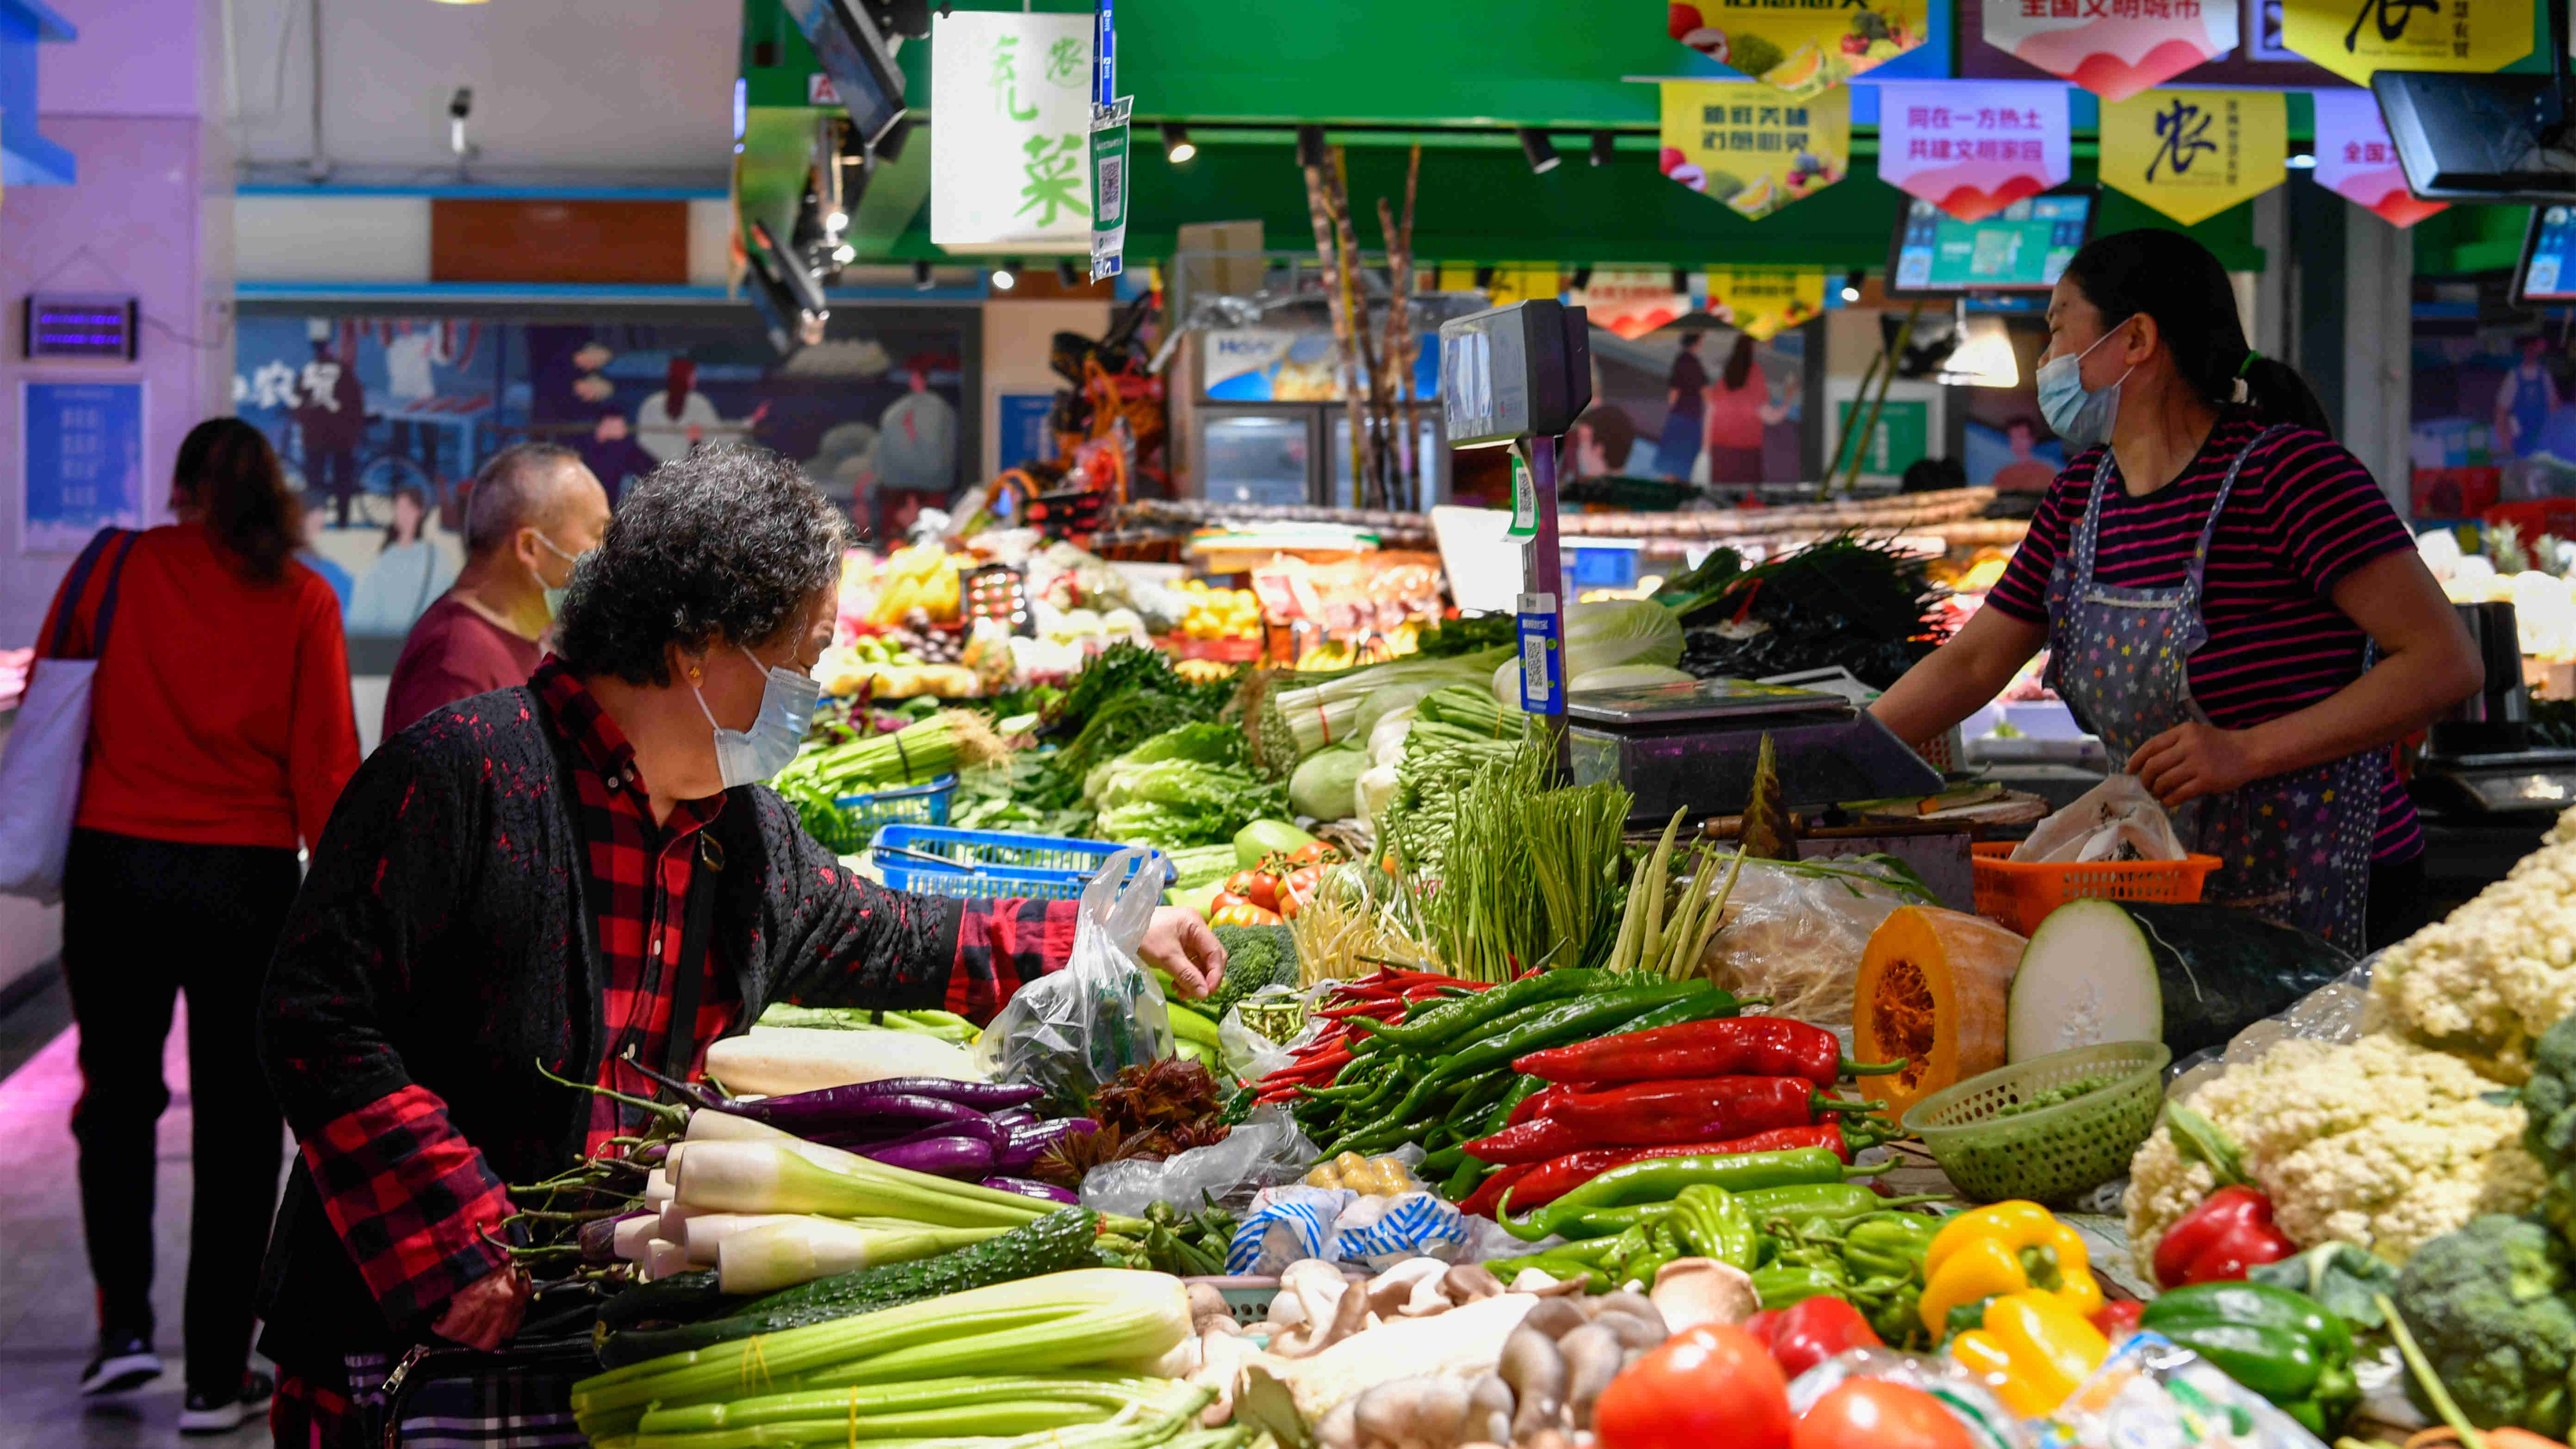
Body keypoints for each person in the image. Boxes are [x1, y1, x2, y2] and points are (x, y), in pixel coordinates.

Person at [255, 446, 1226, 1449]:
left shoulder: (739, 835)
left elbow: (893, 934)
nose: (812, 684)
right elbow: (316, 1016)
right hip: (394, 1334)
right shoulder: (463, 775)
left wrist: (1107, 935)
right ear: (696, 648)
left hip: (571, 1325)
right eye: (803, 653)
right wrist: (456, 1238)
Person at [1871, 229, 2482, 953]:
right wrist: (1830, 758)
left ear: (2135, 340)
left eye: (2058, 325)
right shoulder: (2081, 496)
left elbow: (2444, 664)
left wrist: (2247, 752)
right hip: (2159, 875)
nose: (2045, 358)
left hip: (2333, 880)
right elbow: (1971, 664)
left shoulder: (2290, 475)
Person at [35, 418, 360, 1432]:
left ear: (180, 488)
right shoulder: (305, 597)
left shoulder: (120, 567)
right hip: (246, 881)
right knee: (236, 1126)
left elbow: (56, 687)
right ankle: (217, 1377)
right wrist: (348, 910)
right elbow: (327, 766)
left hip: (116, 869)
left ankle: (123, 1338)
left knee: (116, 1101)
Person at [382, 443, 613, 737]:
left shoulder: (525, 639)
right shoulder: (457, 664)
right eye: (598, 534)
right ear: (530, 548)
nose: (605, 552)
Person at [343, 483, 457, 636]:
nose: (403, 515)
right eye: (399, 508)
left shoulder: (436, 558)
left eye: (409, 508)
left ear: (420, 512)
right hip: (394, 645)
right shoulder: (384, 559)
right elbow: (365, 612)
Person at [1702, 333, 1778, 488]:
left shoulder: (1726, 376)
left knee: (1721, 500)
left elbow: (1710, 412)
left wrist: (1706, 448)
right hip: (1747, 451)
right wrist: (1789, 399)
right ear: (1753, 348)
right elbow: (1769, 416)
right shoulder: (1755, 372)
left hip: (1721, 451)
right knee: (1748, 503)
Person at [1650, 331, 1708, 481]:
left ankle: (1669, 484)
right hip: (1692, 415)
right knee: (1686, 459)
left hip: (1679, 414)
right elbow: (1705, 391)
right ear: (1697, 342)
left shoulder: (1680, 360)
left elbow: (1674, 393)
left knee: (1672, 456)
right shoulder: (1696, 364)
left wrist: (1672, 412)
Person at [2497, 334, 2560, 459]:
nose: (2530, 351)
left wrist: (2553, 436)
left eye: (2533, 347)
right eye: (2527, 348)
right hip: (2519, 438)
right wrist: (2505, 442)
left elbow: (2554, 407)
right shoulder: (2513, 377)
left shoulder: (2545, 375)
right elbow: (2501, 411)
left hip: (2541, 438)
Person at [1989, 418, 2060, 494]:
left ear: (2032, 440)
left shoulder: (2046, 472)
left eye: (2021, 437)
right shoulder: (2003, 474)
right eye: (2013, 438)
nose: (2017, 443)